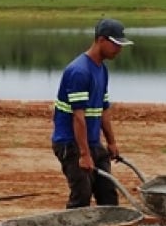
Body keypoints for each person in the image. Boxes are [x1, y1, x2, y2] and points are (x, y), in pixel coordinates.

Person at [51, 17, 133, 208]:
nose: (119, 50)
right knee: (82, 194)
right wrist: (84, 154)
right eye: (116, 44)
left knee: (108, 192)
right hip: (70, 143)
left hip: (92, 141)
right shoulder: (79, 71)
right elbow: (78, 118)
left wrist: (111, 142)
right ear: (101, 40)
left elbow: (103, 111)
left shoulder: (101, 70)